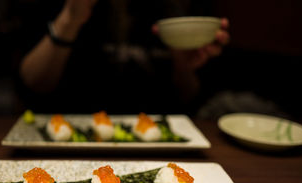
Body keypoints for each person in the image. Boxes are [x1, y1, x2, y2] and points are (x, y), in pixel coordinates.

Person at [17, 0, 229, 114]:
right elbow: (33, 86)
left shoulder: (178, 7)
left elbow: (188, 99)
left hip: (161, 142)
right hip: (62, 137)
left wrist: (184, 66)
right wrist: (70, 19)